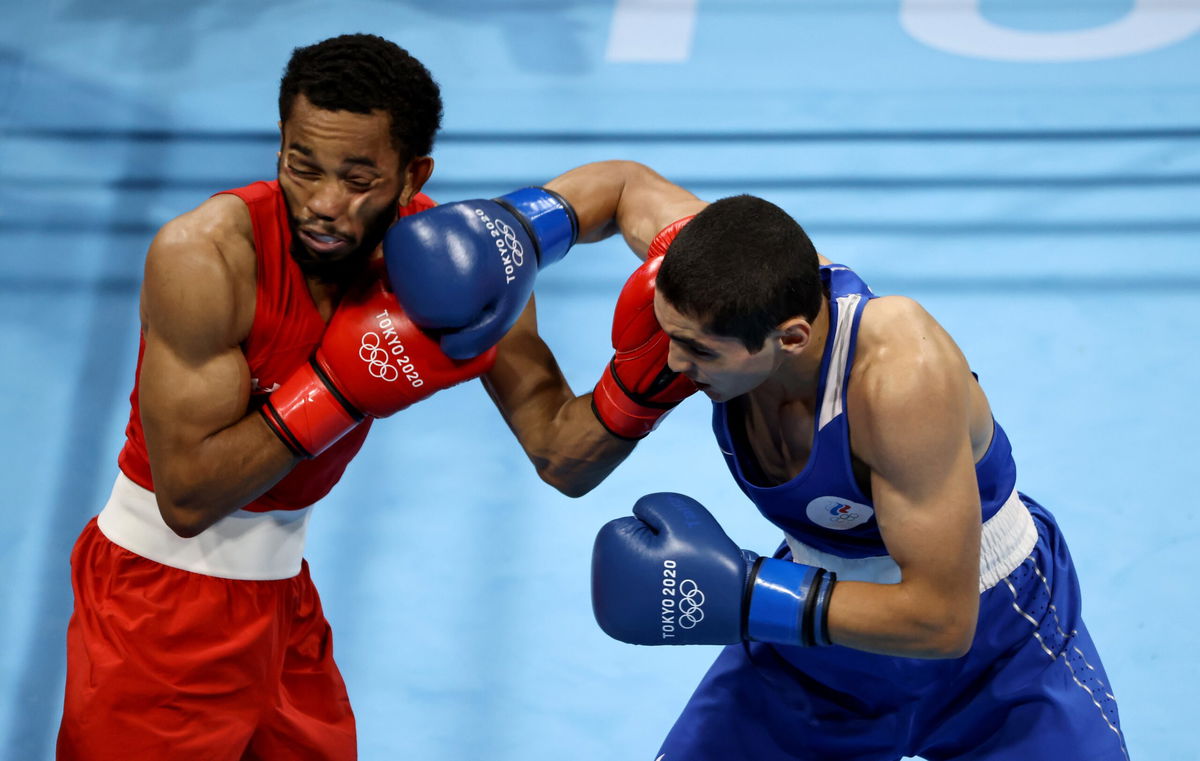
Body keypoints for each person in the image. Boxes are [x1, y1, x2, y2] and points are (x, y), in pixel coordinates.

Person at [55, 36, 651, 761]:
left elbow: (562, 453)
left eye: (358, 178)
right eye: (302, 167)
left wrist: (656, 373)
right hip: (153, 611)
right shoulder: (204, 256)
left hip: (283, 603)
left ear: (412, 175)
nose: (324, 204)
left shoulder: (450, 264)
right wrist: (338, 387)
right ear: (280, 144)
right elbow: (186, 499)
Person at [572, 181, 1131, 759]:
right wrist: (522, 231)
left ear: (790, 338)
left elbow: (942, 621)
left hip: (997, 648)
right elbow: (620, 187)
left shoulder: (899, 375)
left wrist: (747, 596)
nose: (672, 364)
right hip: (818, 650)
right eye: (670, 335)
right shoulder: (721, 276)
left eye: (701, 351)